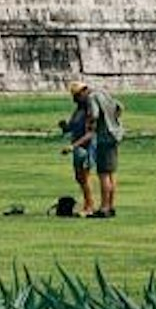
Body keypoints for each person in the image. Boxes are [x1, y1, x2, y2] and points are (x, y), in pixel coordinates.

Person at [67, 79, 123, 218]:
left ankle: (104, 208)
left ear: (81, 93)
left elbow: (94, 115)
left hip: (104, 137)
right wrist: (113, 122)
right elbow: (119, 107)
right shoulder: (103, 93)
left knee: (103, 174)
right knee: (111, 174)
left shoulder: (91, 97)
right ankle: (110, 206)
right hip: (115, 135)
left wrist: (91, 125)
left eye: (77, 97)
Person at [60, 85, 96, 217]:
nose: (75, 99)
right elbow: (72, 127)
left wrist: (72, 147)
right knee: (79, 178)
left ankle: (90, 206)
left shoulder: (89, 111)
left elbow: (90, 134)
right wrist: (65, 127)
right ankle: (87, 203)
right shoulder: (78, 110)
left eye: (77, 96)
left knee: (85, 178)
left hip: (86, 148)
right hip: (77, 147)